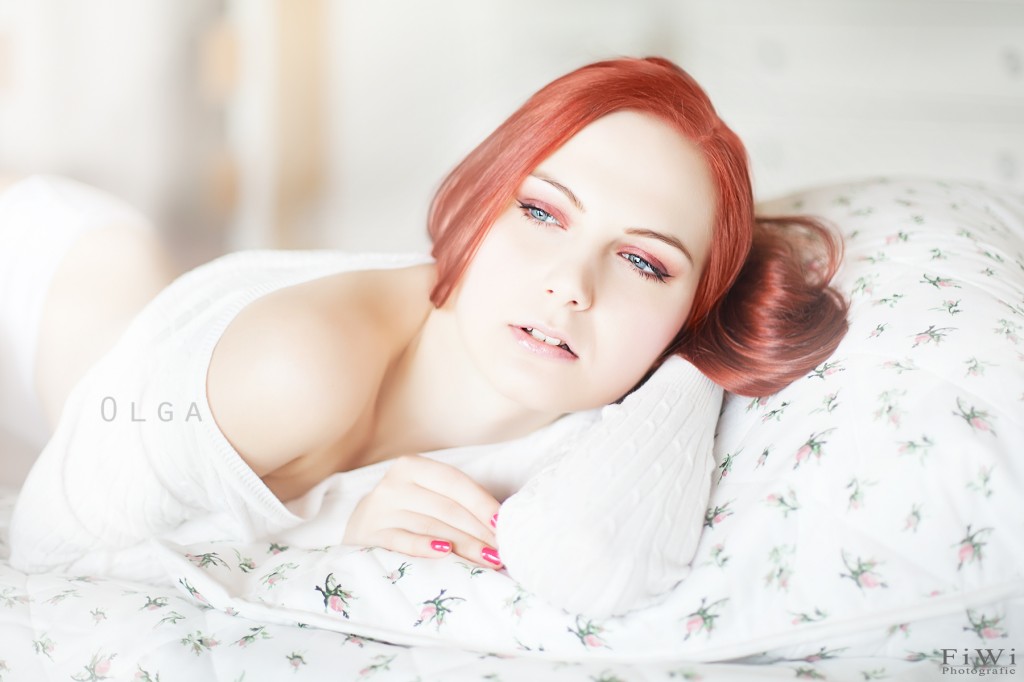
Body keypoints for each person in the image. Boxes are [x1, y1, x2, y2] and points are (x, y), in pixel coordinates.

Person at [5, 57, 847, 588]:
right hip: (47, 287)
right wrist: (335, 532)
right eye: (542, 213)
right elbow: (47, 553)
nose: (570, 286)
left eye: (644, 263)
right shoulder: (296, 369)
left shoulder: (598, 406)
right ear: (481, 199)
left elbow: (612, 568)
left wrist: (702, 357)